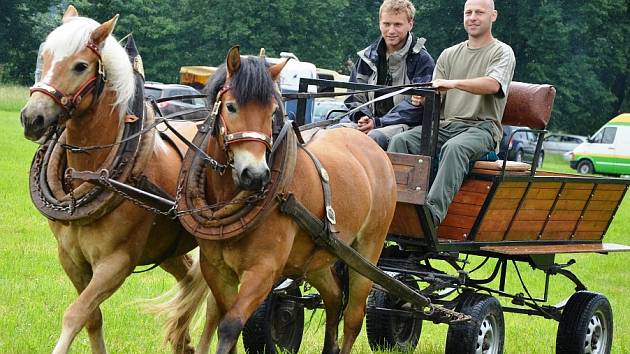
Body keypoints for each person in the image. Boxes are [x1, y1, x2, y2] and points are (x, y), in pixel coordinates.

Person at [388, 0, 516, 225]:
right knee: (401, 141)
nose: (473, 17)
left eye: (479, 12)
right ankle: (395, 209)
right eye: (468, 12)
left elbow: (493, 85)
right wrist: (422, 99)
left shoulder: (502, 52)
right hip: (447, 126)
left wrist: (453, 83)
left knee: (454, 148)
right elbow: (438, 96)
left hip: (482, 129)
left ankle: (431, 215)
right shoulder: (449, 54)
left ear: (493, 16)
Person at [343, 0, 435, 149]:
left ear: (410, 24)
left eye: (397, 25)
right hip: (368, 122)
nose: (391, 30)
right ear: (380, 24)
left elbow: (418, 108)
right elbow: (353, 96)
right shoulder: (367, 56)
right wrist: (361, 116)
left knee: (373, 137)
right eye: (386, 24)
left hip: (405, 126)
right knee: (333, 133)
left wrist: (378, 123)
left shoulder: (422, 60)